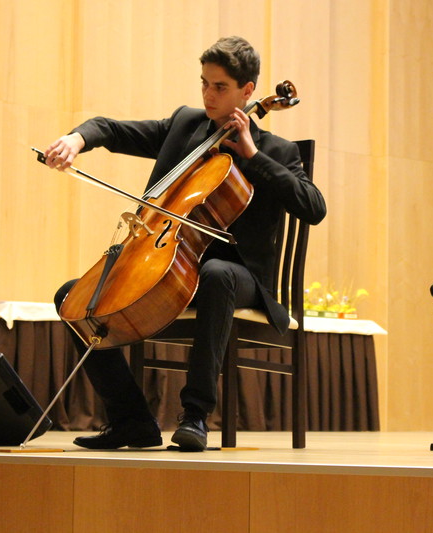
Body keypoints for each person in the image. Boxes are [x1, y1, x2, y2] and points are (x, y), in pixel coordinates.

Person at [44, 36, 327, 451]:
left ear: (248, 92)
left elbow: (314, 207)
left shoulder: (277, 151)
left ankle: (195, 415)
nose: (208, 95)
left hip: (239, 276)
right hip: (166, 261)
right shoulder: (185, 126)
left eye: (220, 87)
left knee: (216, 273)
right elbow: (111, 129)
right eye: (204, 84)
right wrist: (77, 140)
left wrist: (251, 155)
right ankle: (131, 420)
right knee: (71, 297)